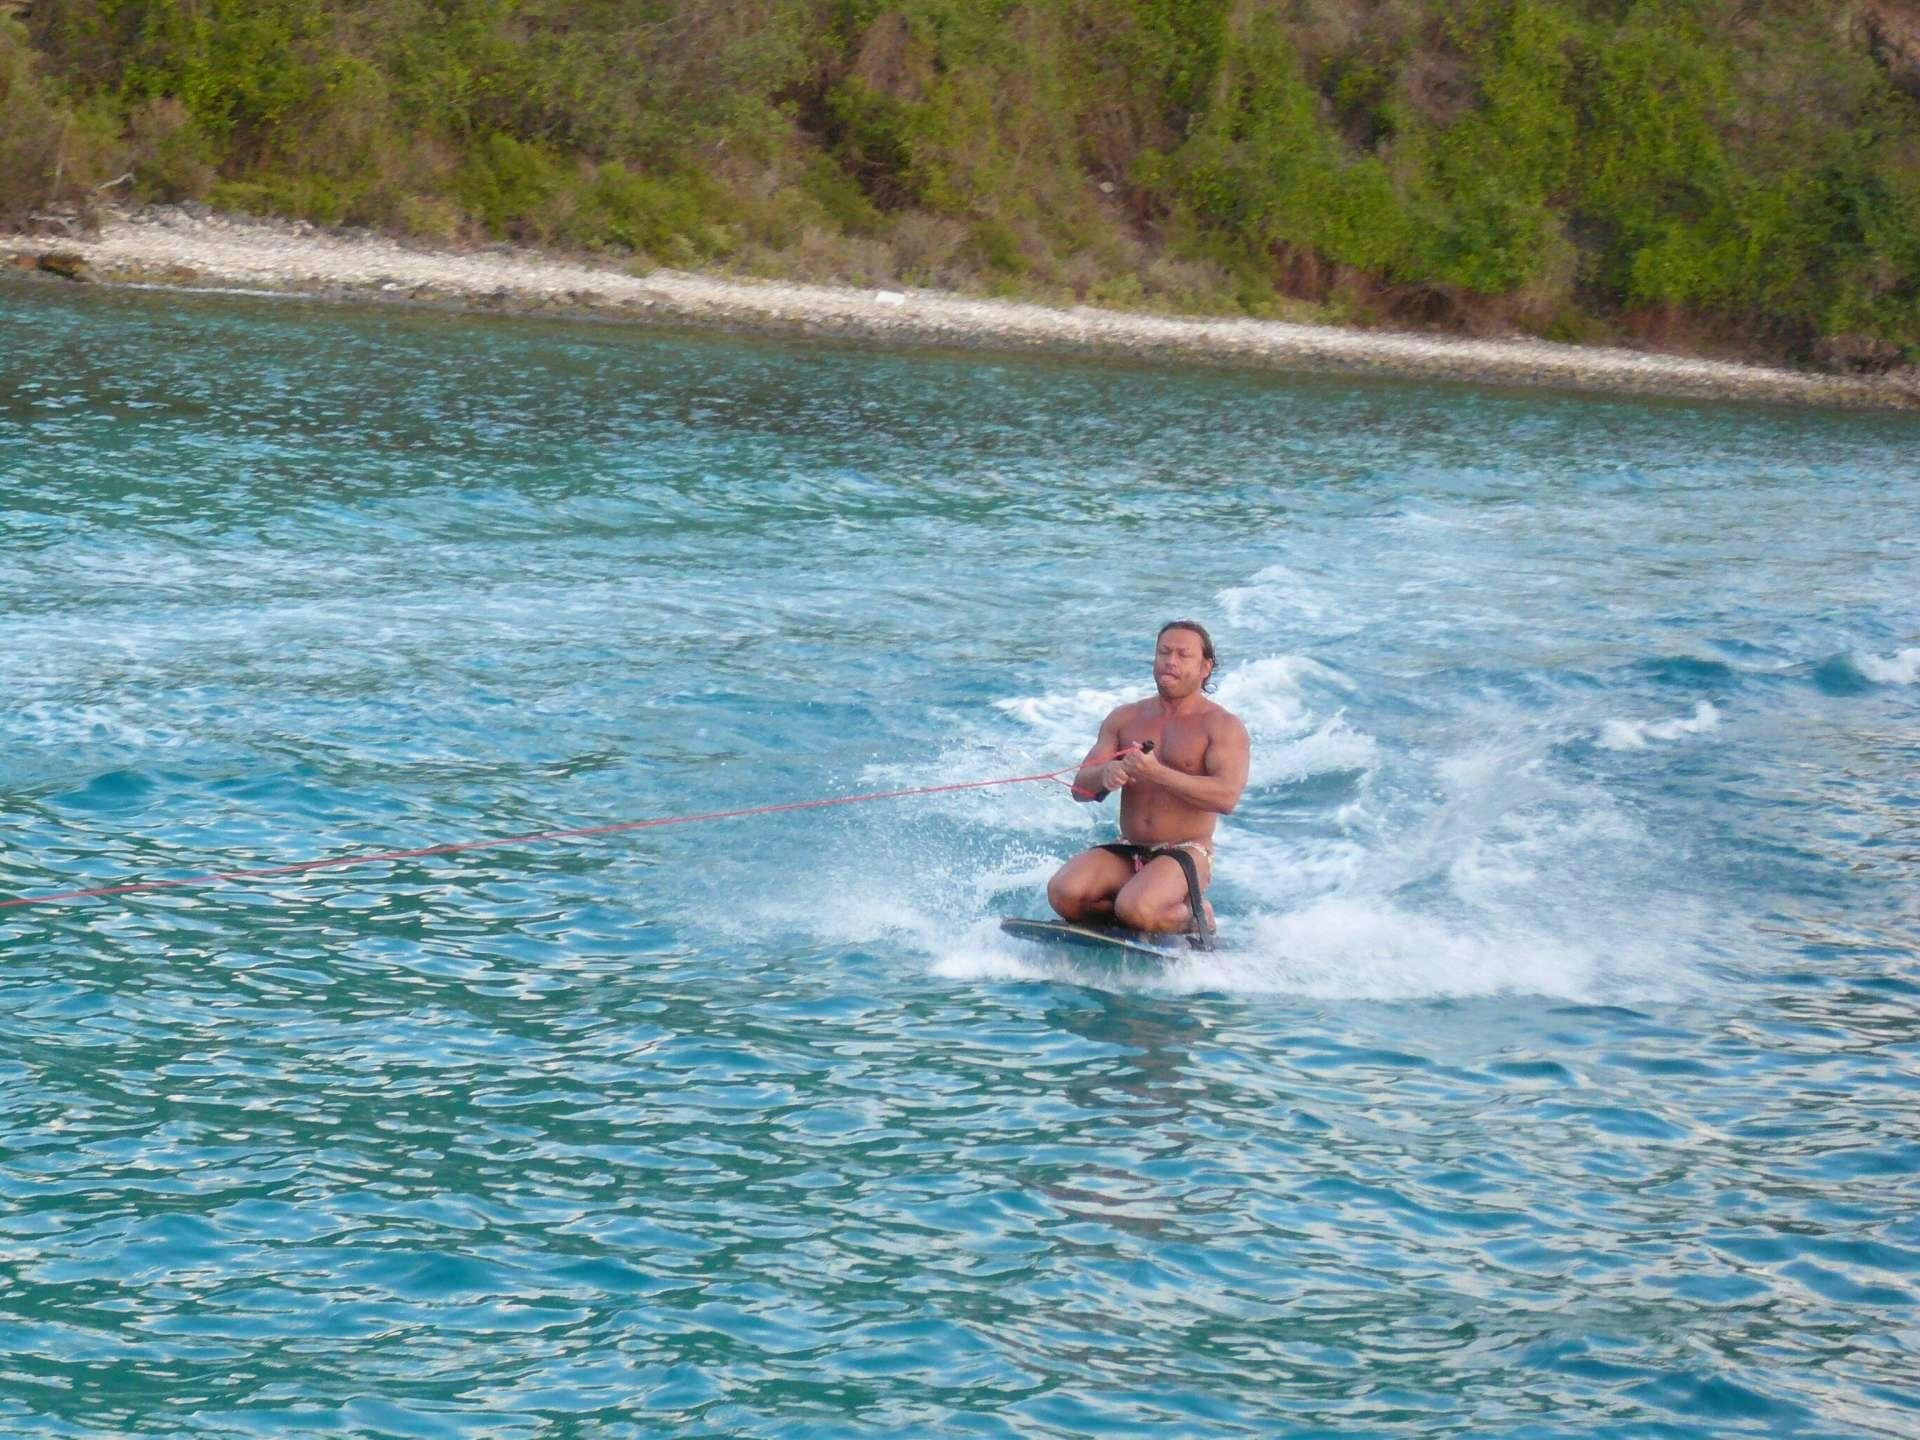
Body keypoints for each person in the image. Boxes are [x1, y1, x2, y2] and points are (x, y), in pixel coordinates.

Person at [1046, 620, 1250, 935]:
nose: (1171, 661)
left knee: (1137, 908)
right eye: (1164, 652)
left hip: (1187, 852)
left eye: (1184, 655)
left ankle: (1195, 917)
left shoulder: (1222, 726)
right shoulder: (1125, 718)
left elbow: (1226, 797)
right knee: (1064, 893)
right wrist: (1106, 774)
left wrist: (1158, 774)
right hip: (1130, 848)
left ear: (1205, 667)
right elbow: (1080, 789)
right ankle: (1134, 913)